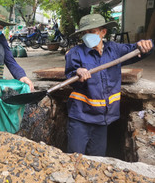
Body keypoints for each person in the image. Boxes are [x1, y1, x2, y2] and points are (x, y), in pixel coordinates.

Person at [65, 14, 153, 156]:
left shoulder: (114, 50)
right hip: (80, 117)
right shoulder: (75, 53)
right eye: (84, 33)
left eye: (91, 32)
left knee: (98, 159)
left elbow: (137, 50)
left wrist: (147, 45)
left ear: (103, 32)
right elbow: (70, 74)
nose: (87, 36)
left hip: (103, 119)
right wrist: (78, 72)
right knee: (74, 158)